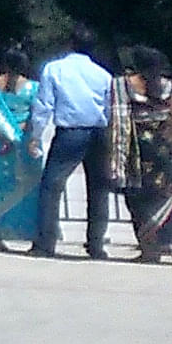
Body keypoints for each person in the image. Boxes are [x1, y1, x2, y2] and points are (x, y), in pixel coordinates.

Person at [28, 39, 116, 258]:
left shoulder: (54, 69)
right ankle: (96, 244)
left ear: (70, 45)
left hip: (70, 132)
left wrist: (35, 135)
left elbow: (44, 105)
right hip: (99, 131)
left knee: (51, 187)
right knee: (98, 189)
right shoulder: (102, 74)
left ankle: (45, 242)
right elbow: (109, 107)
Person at [118, 50, 172, 263]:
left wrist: (116, 157)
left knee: (140, 201)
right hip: (165, 148)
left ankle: (150, 250)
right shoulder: (169, 87)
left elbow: (120, 120)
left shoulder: (124, 85)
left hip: (139, 151)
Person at [0, 49, 43, 251]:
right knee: (30, 188)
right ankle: (33, 236)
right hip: (25, 141)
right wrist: (21, 135)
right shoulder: (33, 88)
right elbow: (36, 115)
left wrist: (2, 135)